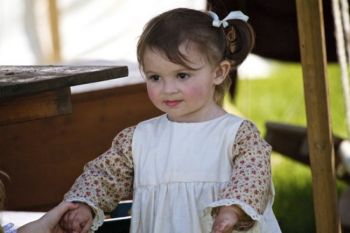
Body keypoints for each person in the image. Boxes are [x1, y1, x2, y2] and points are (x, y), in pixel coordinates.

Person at [60, 8, 282, 233]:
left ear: (219, 72)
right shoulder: (139, 139)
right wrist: (85, 204)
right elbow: (104, 175)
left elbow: (253, 174)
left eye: (182, 75)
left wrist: (233, 209)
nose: (168, 89)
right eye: (155, 77)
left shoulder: (237, 134)